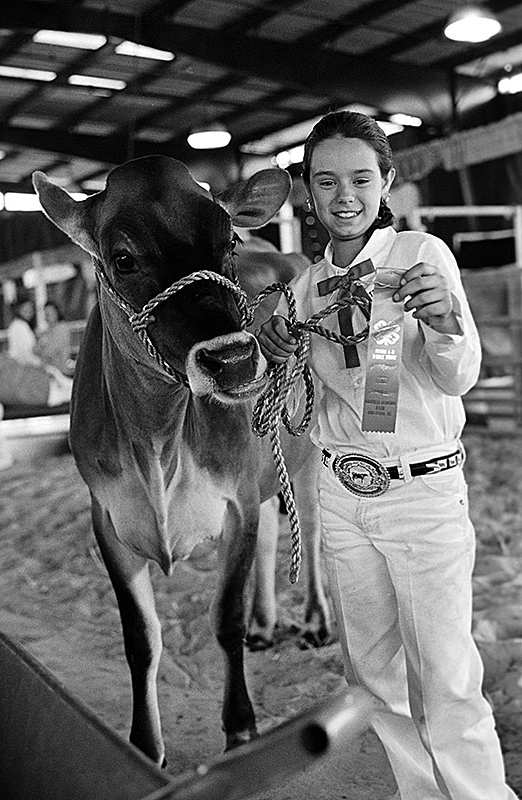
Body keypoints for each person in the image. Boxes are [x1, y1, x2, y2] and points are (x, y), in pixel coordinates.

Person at [257, 111, 517, 800]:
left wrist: (448, 325)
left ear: (387, 183)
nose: (345, 196)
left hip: (422, 493)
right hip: (343, 498)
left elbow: (457, 376)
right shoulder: (304, 290)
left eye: (361, 179)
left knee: (446, 679)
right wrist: (272, 347)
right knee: (374, 680)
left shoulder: (423, 256)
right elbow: (292, 401)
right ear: (307, 194)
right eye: (326, 181)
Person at [35, 300, 73, 376]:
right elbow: (37, 349)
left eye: (51, 312)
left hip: (60, 372)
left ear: (57, 312)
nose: (48, 315)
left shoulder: (62, 328)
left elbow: (52, 350)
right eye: (46, 313)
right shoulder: (47, 330)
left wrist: (41, 350)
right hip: (50, 372)